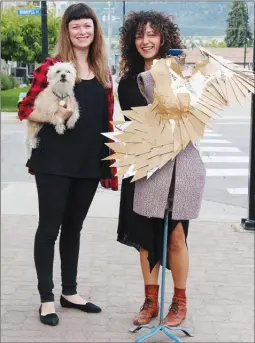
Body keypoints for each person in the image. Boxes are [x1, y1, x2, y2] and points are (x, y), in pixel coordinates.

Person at [18, 3, 118, 326]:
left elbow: (107, 119)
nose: (81, 31)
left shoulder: (103, 71)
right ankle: (47, 298)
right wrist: (55, 115)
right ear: (67, 30)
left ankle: (70, 292)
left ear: (94, 30)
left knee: (74, 228)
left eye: (87, 25)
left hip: (89, 163)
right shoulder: (52, 66)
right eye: (75, 26)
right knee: (50, 229)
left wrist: (109, 160)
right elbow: (25, 109)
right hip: (54, 161)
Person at [117, 11, 205, 327]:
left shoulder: (181, 75)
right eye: (140, 35)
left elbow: (190, 117)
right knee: (144, 239)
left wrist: (177, 80)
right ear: (132, 41)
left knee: (177, 237)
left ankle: (179, 301)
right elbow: (142, 122)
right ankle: (150, 300)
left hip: (179, 167)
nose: (146, 40)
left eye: (152, 34)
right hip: (145, 166)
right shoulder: (127, 83)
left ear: (163, 37)